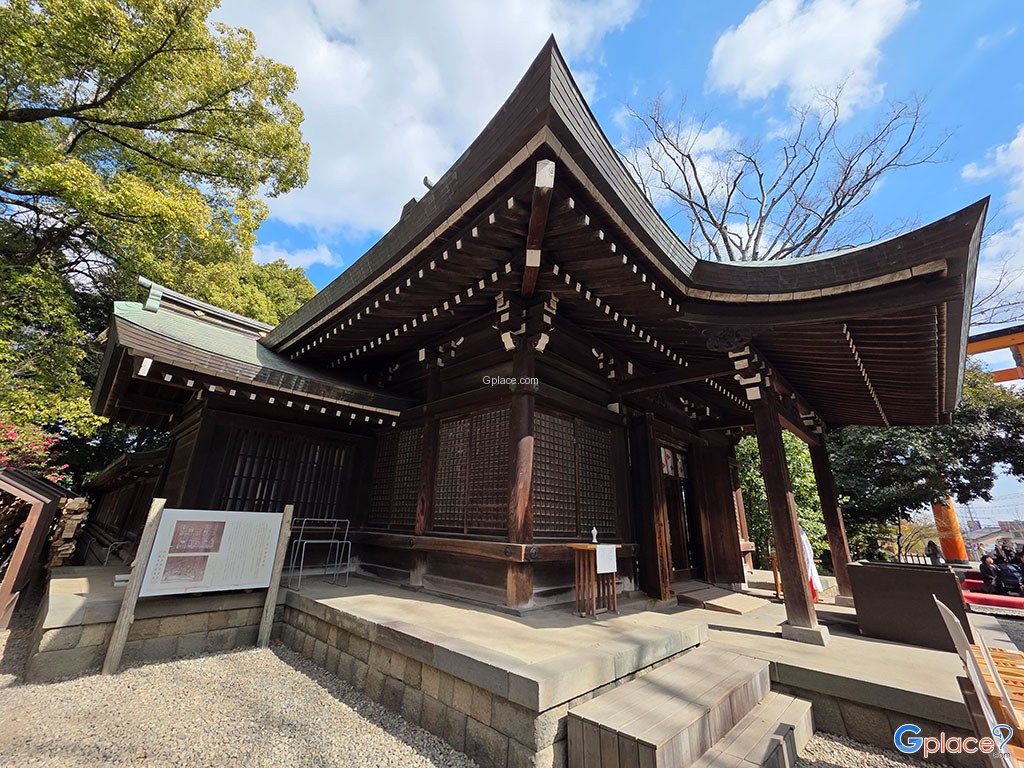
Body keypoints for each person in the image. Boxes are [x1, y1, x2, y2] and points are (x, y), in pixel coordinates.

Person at [798, 527, 823, 602]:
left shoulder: (799, 530)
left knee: (808, 575)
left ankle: (810, 598)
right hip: (803, 556)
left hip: (805, 557)